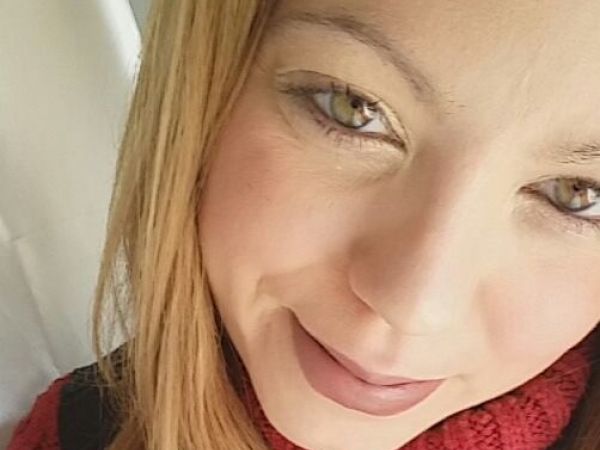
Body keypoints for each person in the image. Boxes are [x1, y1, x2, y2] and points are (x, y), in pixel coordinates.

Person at [7, 0, 600, 449]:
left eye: (577, 196)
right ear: (205, 90)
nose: (413, 306)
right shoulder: (76, 430)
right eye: (353, 109)